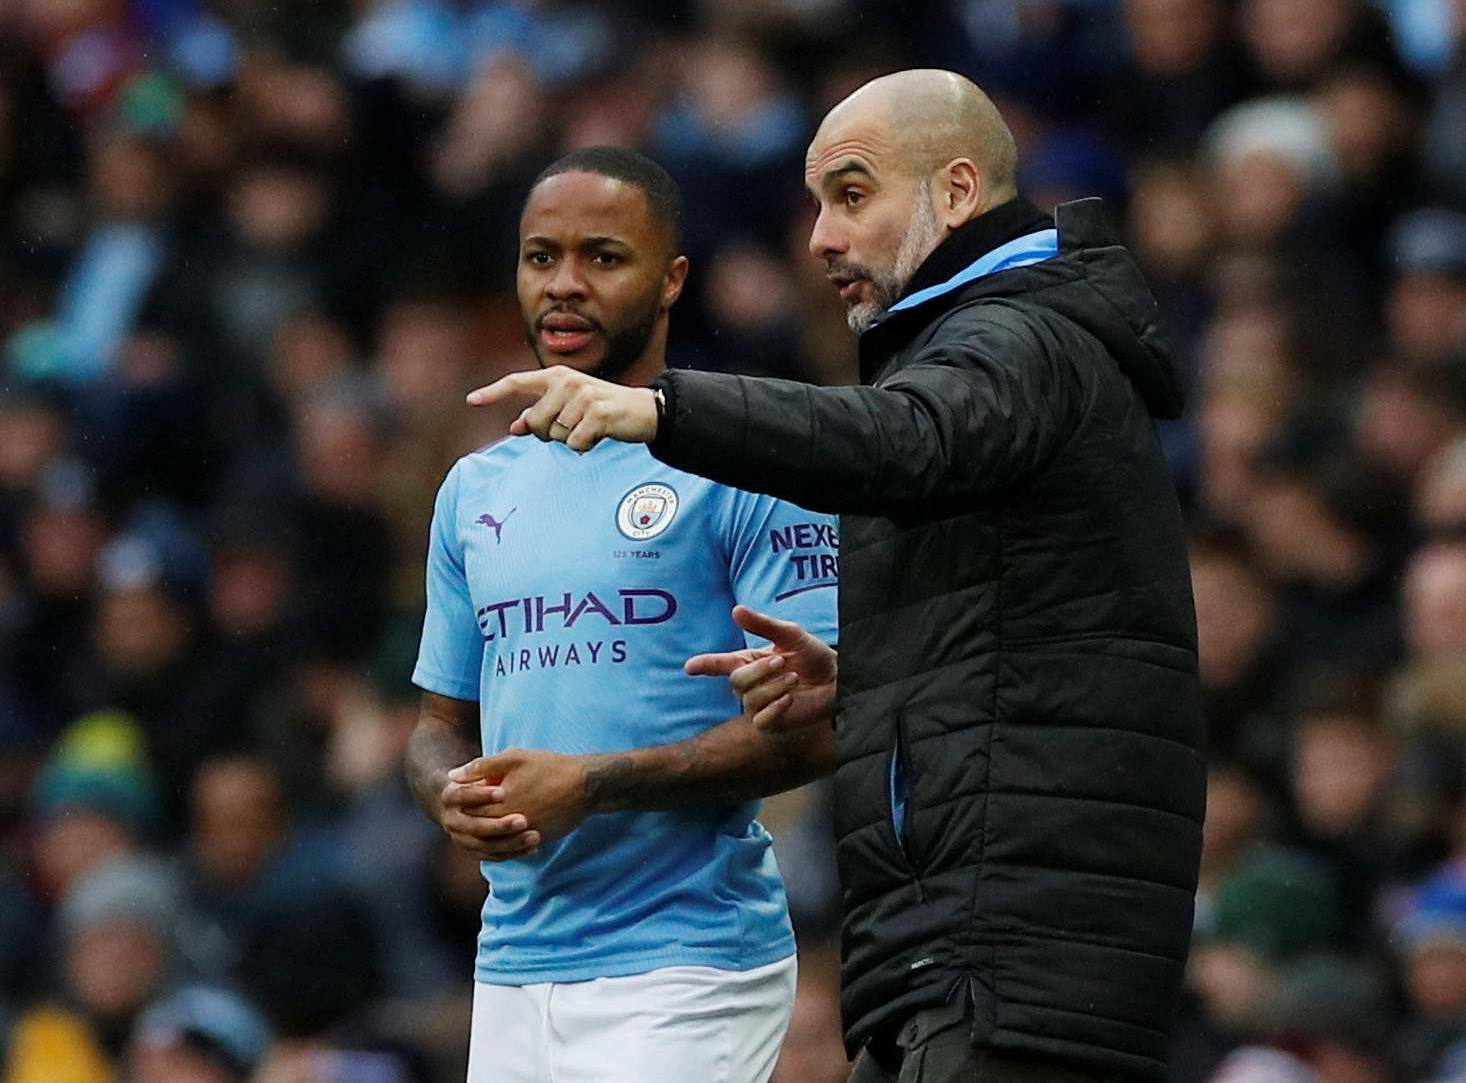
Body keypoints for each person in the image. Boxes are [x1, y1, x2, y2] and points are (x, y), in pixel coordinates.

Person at [468, 71, 1206, 1082]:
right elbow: (1012, 648)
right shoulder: (990, 344)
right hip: (959, 945)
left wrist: (659, 412)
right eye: (817, 202)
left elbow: (909, 438)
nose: (818, 236)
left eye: (851, 196)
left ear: (953, 192)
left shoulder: (1025, 336)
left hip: (1015, 952)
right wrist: (857, 686)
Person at [404, 146, 839, 1083]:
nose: (564, 286)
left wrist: (593, 784)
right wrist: (448, 792)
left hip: (689, 957)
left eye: (604, 257)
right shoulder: (473, 491)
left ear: (673, 278)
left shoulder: (749, 460)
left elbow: (822, 729)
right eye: (540, 257)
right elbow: (438, 727)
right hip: (515, 963)